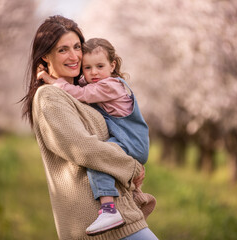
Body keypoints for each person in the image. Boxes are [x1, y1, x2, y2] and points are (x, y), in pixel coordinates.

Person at [21, 15, 158, 240]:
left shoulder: (88, 92)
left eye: (77, 47)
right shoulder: (50, 96)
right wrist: (132, 168)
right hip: (96, 224)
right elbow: (83, 148)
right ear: (46, 56)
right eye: (63, 50)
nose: (74, 56)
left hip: (121, 218)